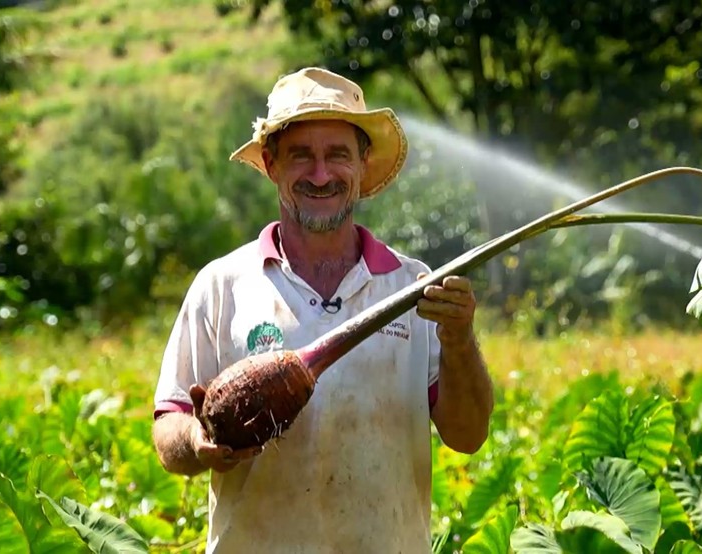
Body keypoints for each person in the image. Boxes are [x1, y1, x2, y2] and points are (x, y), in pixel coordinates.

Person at [150, 67, 494, 553]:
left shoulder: (413, 288)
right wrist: (197, 440)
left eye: (337, 155)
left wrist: (458, 339)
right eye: (301, 156)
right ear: (271, 163)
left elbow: (469, 436)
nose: (320, 175)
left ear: (362, 163)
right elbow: (169, 427)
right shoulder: (222, 285)